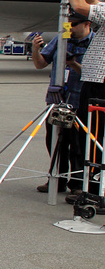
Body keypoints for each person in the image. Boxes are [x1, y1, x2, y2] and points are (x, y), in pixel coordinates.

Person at [31, 17, 93, 196]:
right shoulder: (61, 38)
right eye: (68, 24)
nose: (70, 28)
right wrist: (36, 49)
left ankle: (78, 183)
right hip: (57, 101)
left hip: (80, 101)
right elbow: (40, 63)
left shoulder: (95, 43)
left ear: (87, 24)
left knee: (78, 145)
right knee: (55, 141)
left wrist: (73, 63)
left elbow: (93, 76)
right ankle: (57, 180)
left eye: (74, 24)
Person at [60, 0, 105, 199]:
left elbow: (80, 7)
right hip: (95, 82)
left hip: (100, 85)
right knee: (91, 135)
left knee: (94, 137)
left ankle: (94, 191)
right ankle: (91, 186)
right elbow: (94, 3)